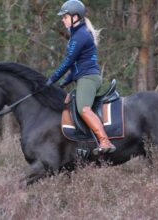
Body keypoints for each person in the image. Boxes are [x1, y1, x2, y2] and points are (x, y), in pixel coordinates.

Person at [45, 0, 116, 154]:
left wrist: (52, 79)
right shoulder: (77, 34)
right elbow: (76, 65)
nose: (62, 19)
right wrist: (64, 82)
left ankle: (105, 141)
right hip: (84, 76)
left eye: (65, 17)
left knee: (83, 109)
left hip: (88, 78)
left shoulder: (80, 35)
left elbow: (68, 61)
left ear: (75, 16)